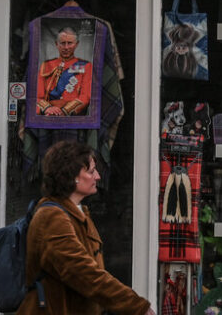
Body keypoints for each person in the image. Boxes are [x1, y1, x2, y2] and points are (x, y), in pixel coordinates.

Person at [17, 141, 154, 315]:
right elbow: (84, 273)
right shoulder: (51, 217)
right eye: (91, 171)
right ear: (71, 176)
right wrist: (136, 305)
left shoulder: (78, 213)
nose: (97, 176)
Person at [36, 27, 93, 116]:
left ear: (76, 44)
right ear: (57, 44)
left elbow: (86, 96)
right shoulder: (46, 65)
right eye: (62, 43)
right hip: (48, 115)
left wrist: (64, 111)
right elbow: (37, 96)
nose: (66, 47)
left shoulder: (86, 66)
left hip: (73, 117)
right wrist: (48, 108)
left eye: (70, 43)